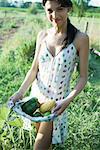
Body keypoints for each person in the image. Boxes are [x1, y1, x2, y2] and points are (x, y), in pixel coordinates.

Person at [9, 0, 89, 149]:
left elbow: (83, 77)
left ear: (69, 8)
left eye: (60, 9)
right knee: (46, 145)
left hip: (56, 105)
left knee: (39, 146)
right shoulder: (42, 35)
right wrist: (19, 93)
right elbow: (34, 70)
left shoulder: (80, 38)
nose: (54, 15)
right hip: (35, 101)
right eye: (50, 10)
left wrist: (67, 100)